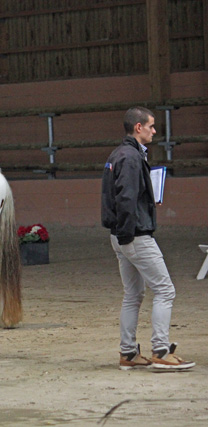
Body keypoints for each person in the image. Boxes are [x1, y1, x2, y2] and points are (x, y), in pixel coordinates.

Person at [101, 106, 194, 371]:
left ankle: (128, 353)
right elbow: (126, 198)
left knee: (133, 294)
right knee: (165, 290)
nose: (155, 131)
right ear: (138, 127)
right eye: (151, 126)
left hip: (120, 235)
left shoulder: (118, 154)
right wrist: (131, 231)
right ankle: (161, 351)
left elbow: (124, 196)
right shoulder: (131, 157)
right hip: (135, 236)